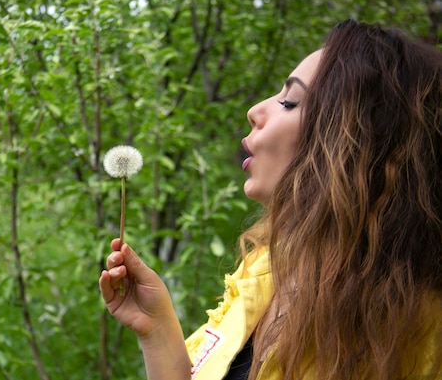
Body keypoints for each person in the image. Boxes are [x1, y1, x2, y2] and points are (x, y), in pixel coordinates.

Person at [99, 19, 442, 380]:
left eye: (290, 102)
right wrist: (157, 331)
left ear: (358, 147)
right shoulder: (265, 271)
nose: (255, 111)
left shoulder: (415, 336)